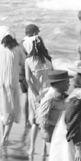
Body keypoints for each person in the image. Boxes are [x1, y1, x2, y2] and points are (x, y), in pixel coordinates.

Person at [22, 24, 54, 154]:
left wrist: (36, 94)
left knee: (34, 121)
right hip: (48, 93)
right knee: (45, 121)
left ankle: (31, 148)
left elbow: (28, 80)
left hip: (35, 95)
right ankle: (45, 150)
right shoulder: (48, 60)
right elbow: (53, 77)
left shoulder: (28, 61)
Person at [0, 26, 25, 146]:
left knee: (2, 109)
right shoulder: (17, 49)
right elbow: (23, 62)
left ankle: (3, 136)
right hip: (12, 83)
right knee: (11, 109)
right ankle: (6, 136)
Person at [36, 70, 70, 159]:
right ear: (59, 84)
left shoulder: (63, 96)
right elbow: (42, 116)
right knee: (54, 158)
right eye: (67, 82)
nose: (69, 84)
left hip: (61, 131)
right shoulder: (50, 98)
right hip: (52, 132)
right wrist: (45, 131)